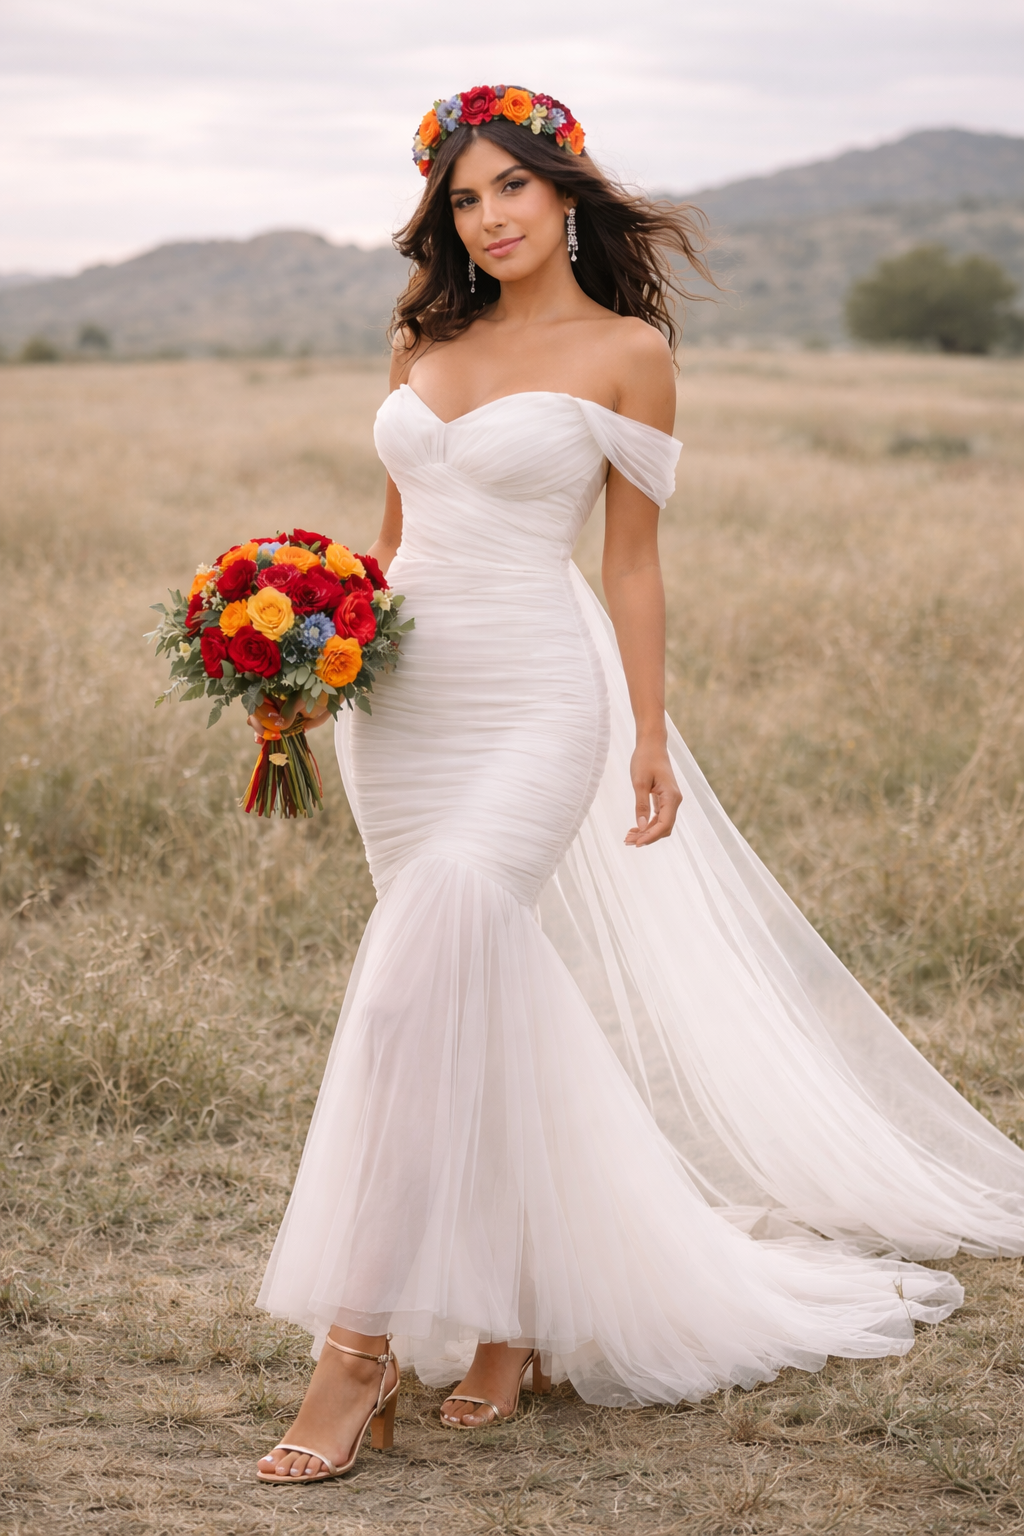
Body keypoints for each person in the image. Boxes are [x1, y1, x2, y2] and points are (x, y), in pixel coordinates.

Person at [252, 86, 1024, 1486]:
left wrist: (648, 734)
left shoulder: (627, 353)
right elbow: (390, 538)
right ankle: (514, 1320)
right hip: (403, 715)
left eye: (510, 190)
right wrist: (308, 654)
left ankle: (356, 1349)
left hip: (543, 700)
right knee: (471, 993)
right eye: (464, 199)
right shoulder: (422, 337)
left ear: (565, 192)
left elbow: (630, 563)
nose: (488, 218)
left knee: (420, 979)